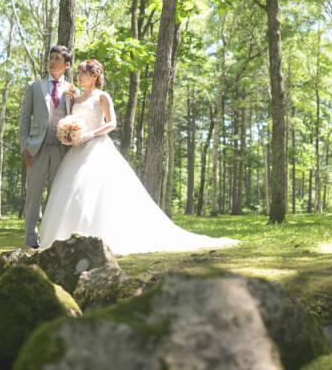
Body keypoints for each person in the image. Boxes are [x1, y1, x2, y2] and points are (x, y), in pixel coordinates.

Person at [40, 59, 239, 255]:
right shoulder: (75, 99)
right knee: (73, 193)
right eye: (78, 73)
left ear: (93, 76)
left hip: (96, 146)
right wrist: (69, 133)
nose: (79, 76)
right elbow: (71, 119)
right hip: (77, 151)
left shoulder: (102, 97)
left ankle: (98, 238)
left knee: (95, 193)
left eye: (82, 73)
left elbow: (112, 123)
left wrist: (90, 134)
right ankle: (68, 239)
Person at [18, 45, 75, 248]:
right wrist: (24, 146)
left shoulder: (72, 90)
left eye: (57, 58)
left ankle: (52, 240)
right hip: (36, 149)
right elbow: (24, 118)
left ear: (66, 65)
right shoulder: (35, 86)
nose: (52, 61)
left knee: (57, 196)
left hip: (62, 150)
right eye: (51, 57)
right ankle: (30, 243)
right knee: (33, 196)